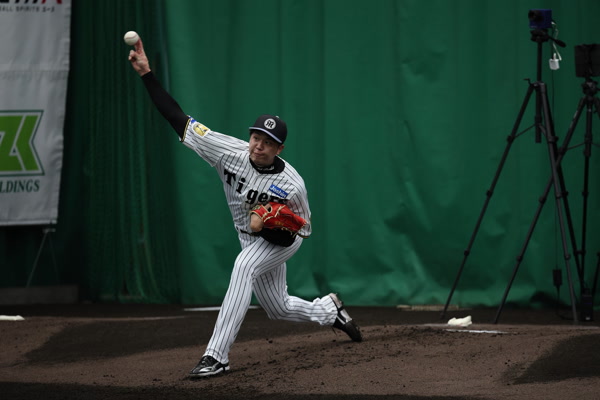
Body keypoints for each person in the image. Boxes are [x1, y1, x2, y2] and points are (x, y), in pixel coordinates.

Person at [128, 36, 362, 378]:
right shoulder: (228, 152)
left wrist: (276, 227)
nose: (259, 146)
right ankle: (330, 310)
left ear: (279, 149)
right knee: (278, 307)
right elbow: (177, 118)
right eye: (256, 137)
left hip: (280, 240)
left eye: (268, 142)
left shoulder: (292, 184)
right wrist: (146, 74)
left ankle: (216, 356)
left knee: (244, 267)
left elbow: (304, 227)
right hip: (247, 236)